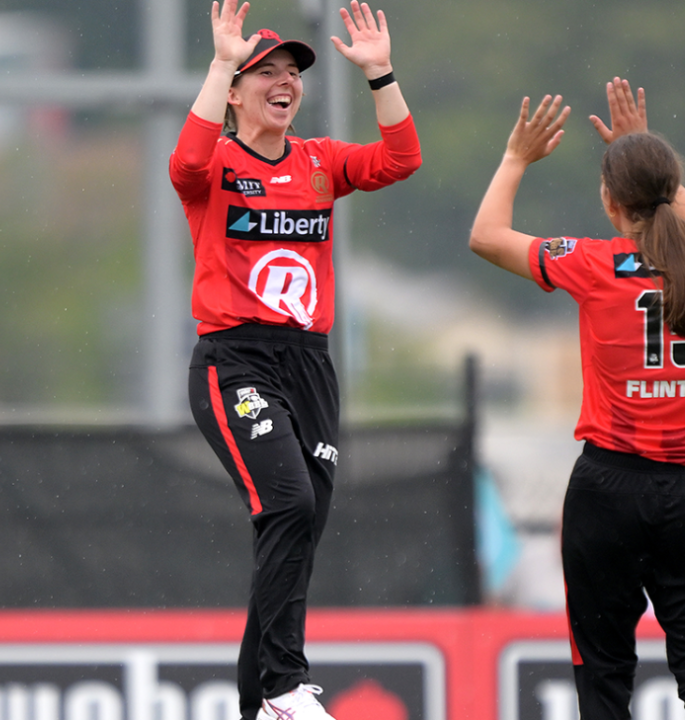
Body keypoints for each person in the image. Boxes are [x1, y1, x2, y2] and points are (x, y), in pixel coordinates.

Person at [169, 1, 420, 719]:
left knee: (297, 529)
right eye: (267, 73)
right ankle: (284, 685)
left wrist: (381, 76)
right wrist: (220, 63)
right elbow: (184, 161)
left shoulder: (319, 162)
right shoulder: (216, 163)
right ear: (237, 94)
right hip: (235, 360)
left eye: (291, 74)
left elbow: (402, 159)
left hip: (309, 364)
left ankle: (258, 702)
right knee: (288, 502)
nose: (284, 83)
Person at [470, 79, 685, 720]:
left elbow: (487, 236)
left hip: (611, 491)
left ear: (610, 202)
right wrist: (638, 149)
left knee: (604, 675)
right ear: (672, 192)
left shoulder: (594, 264)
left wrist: (516, 157)